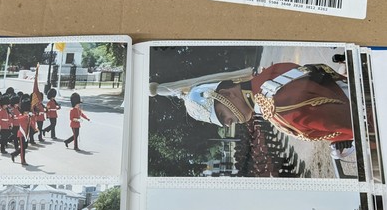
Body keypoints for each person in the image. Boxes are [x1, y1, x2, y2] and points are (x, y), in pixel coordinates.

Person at [150, 62, 354, 154]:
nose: (228, 122)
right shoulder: (268, 75)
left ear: (227, 94)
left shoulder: (280, 111)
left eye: (223, 114)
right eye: (223, 121)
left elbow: (358, 126)